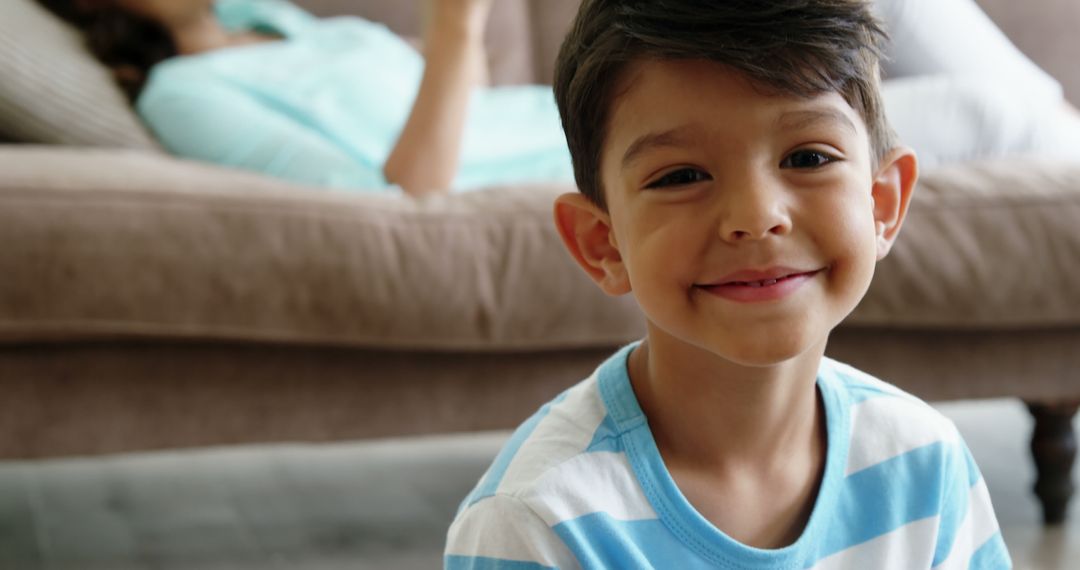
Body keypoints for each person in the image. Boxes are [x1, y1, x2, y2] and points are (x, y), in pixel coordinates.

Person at [444, 0, 1009, 568]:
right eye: (682, 176)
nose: (756, 215)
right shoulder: (536, 523)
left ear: (881, 203)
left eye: (808, 157)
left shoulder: (926, 466)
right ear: (602, 243)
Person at [38, 0, 575, 197]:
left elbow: (467, 101)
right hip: (567, 166)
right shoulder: (183, 93)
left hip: (562, 120)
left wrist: (447, 37)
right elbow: (402, 202)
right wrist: (456, 31)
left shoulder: (263, 17)